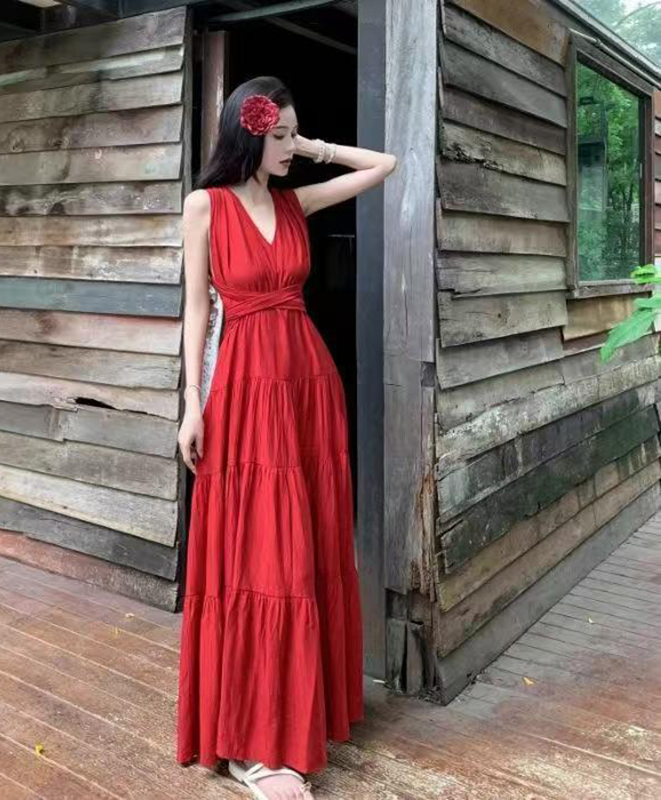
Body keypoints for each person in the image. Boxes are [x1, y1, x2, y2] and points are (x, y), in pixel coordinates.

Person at [176, 75, 398, 800]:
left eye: (292, 137)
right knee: (255, 553)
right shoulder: (205, 206)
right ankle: (253, 744)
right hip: (243, 393)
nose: (289, 149)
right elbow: (196, 313)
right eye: (278, 137)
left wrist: (313, 145)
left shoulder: (296, 203)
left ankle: (294, 719)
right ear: (246, 135)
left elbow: (385, 165)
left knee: (302, 549)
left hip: (306, 389)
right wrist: (191, 404)